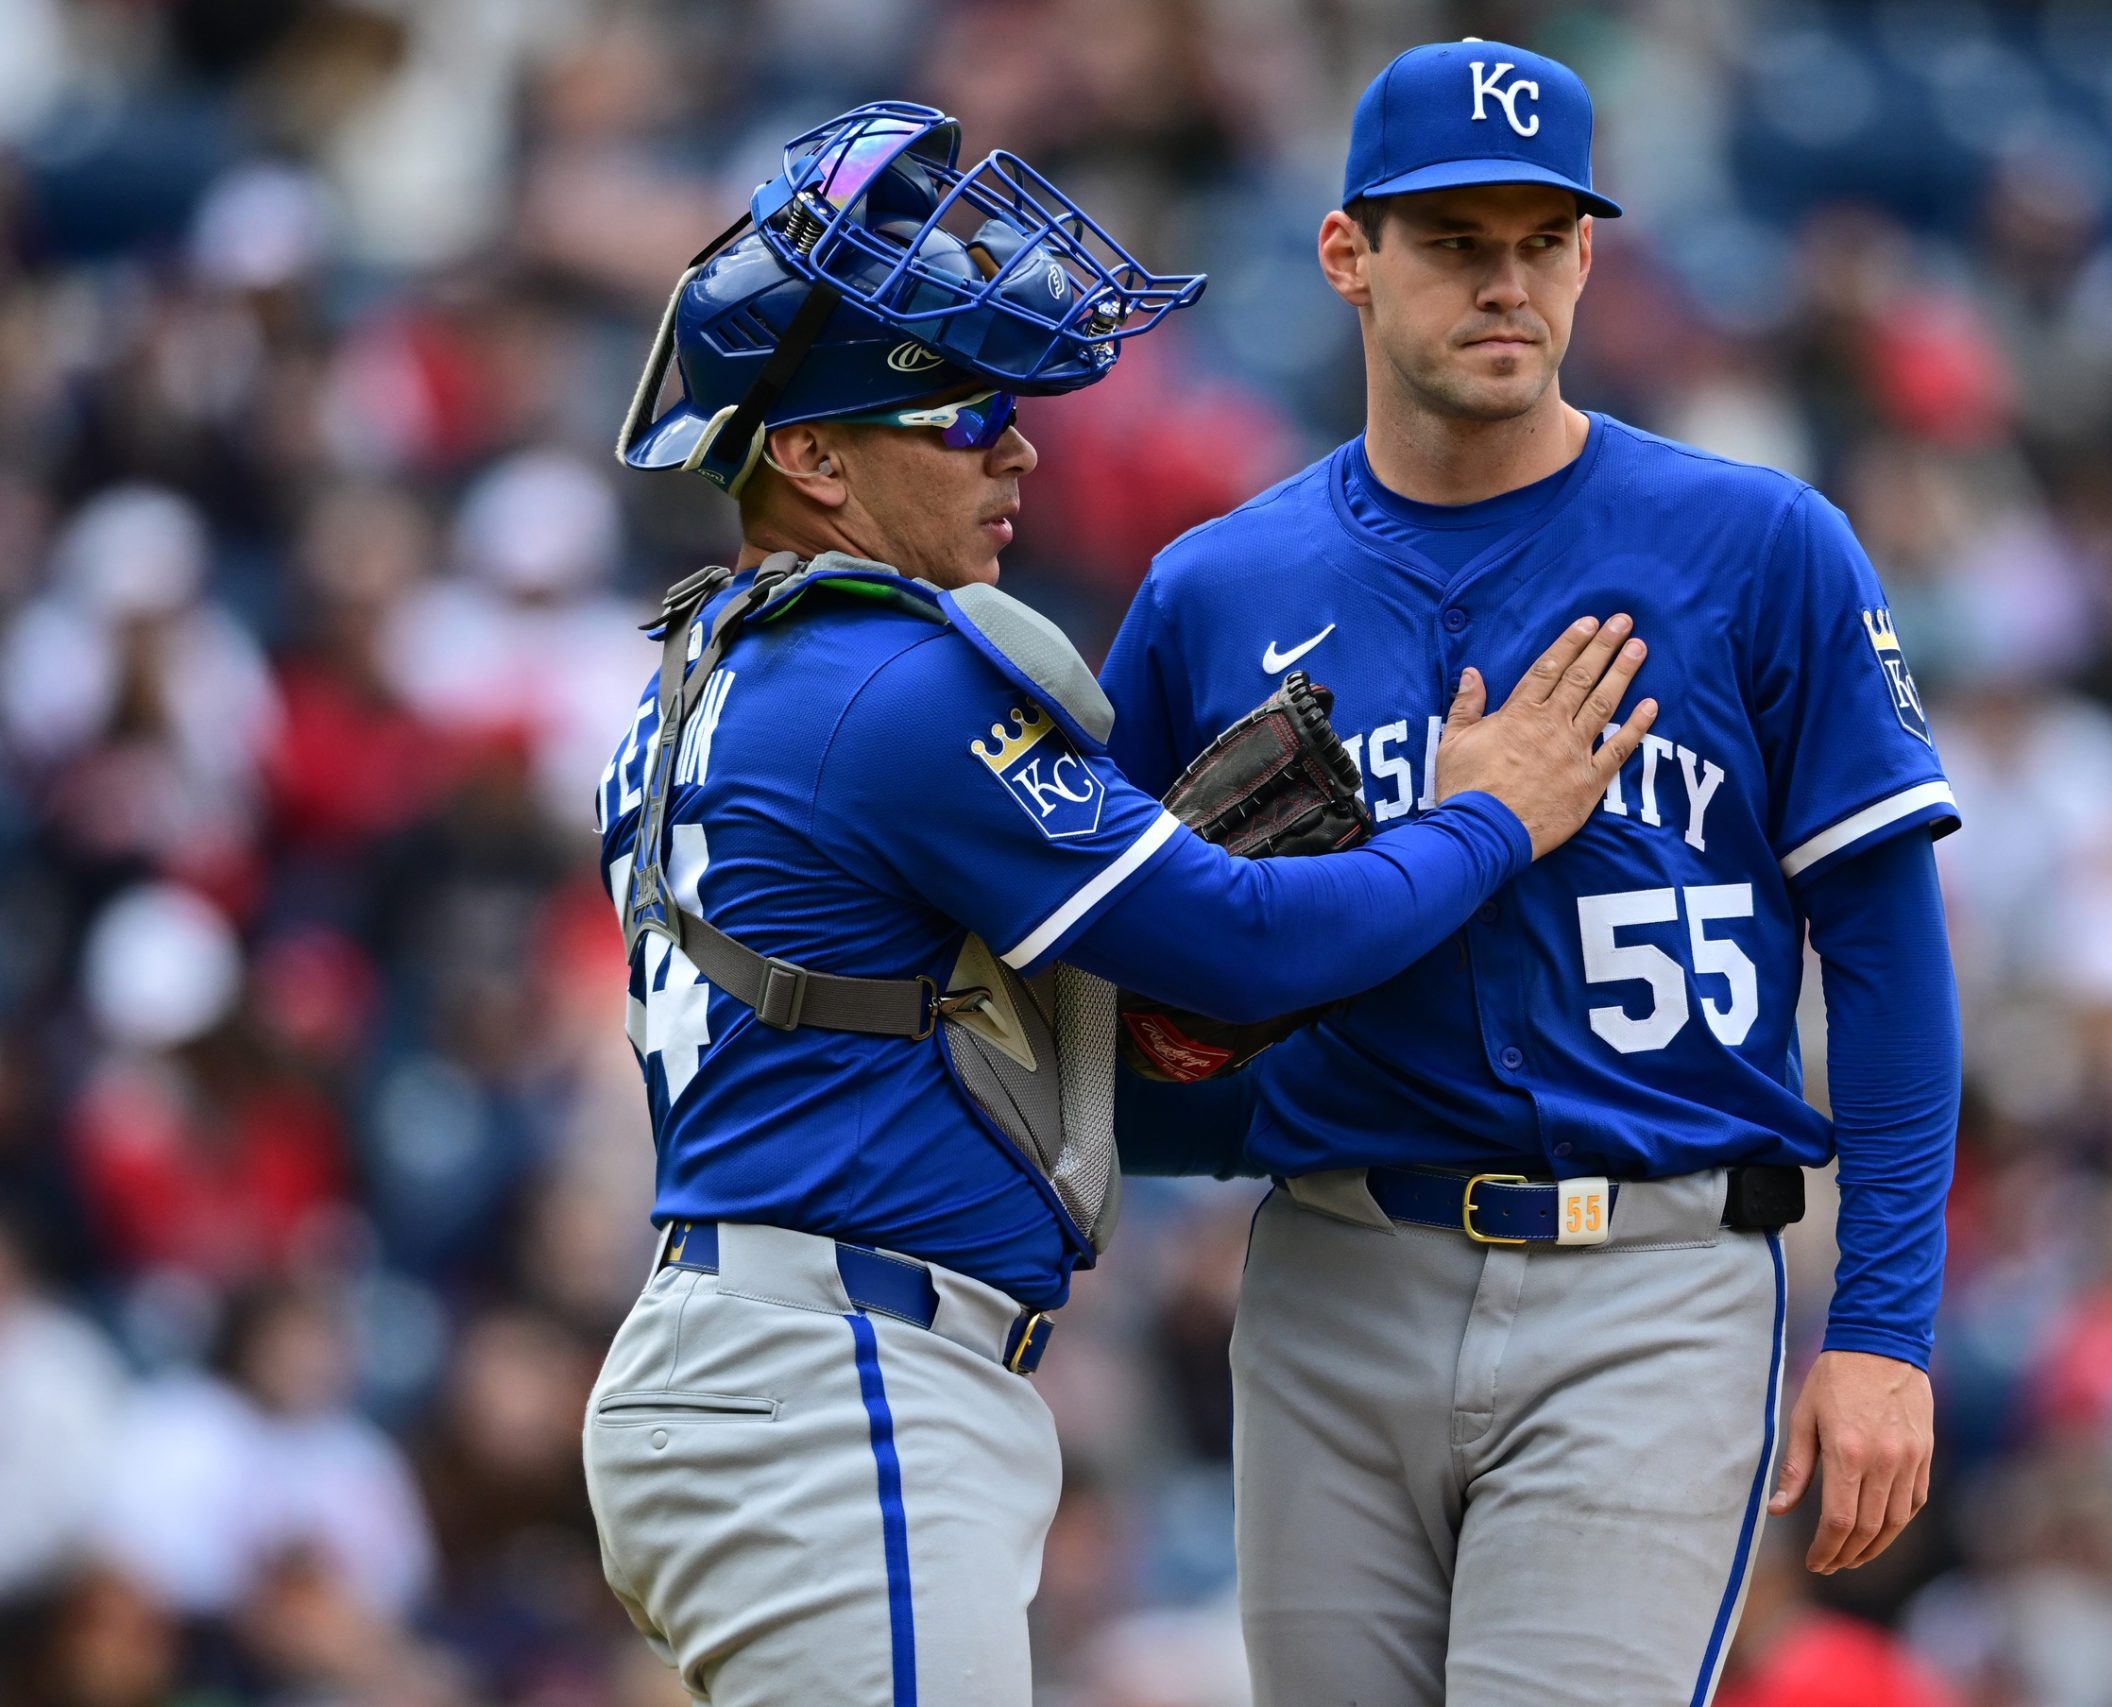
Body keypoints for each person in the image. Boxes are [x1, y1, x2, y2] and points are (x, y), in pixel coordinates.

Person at [580, 101, 1653, 1707]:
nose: (1017, 448)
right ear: (809, 456)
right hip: (833, 1382)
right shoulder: (885, 683)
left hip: (762, 1359)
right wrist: (1493, 817)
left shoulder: (708, 681)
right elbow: (1247, 942)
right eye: (963, 411)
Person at [1102, 41, 1964, 1706]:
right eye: (1453, 241)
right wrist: (1194, 1093)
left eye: (1543, 240)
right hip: (1335, 1272)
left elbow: (1887, 956)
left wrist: (1882, 1329)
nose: (1507, 283)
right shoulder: (1216, 589)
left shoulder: (1758, 545)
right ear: (1348, 253)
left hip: (1651, 1278)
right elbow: (1110, 983)